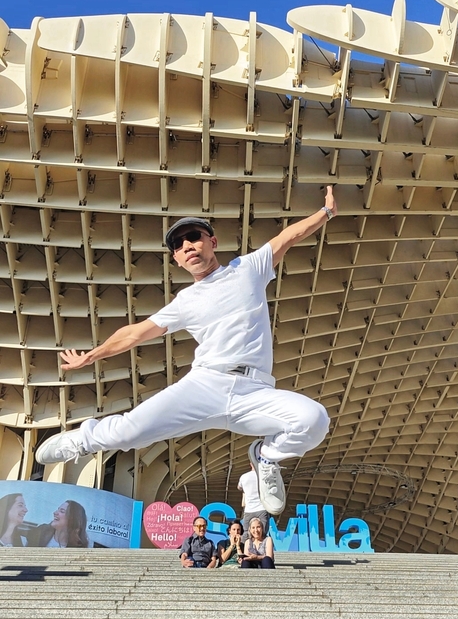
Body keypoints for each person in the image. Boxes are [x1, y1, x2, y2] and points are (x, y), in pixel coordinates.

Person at [35, 187, 337, 515]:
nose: (187, 246)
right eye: (178, 246)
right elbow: (135, 333)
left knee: (314, 420)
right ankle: (79, 441)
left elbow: (289, 237)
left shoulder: (248, 268)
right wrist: (91, 355)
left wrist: (326, 213)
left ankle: (265, 458)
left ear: (213, 242)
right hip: (206, 386)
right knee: (132, 430)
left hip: (255, 391)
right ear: (177, 259)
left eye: (194, 237)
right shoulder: (185, 302)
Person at [238, 463, 269, 540]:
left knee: (246, 533)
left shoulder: (244, 476)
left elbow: (239, 487)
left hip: (249, 509)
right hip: (262, 508)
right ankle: (263, 550)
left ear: (251, 464)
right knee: (263, 532)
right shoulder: (265, 475)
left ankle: (243, 550)